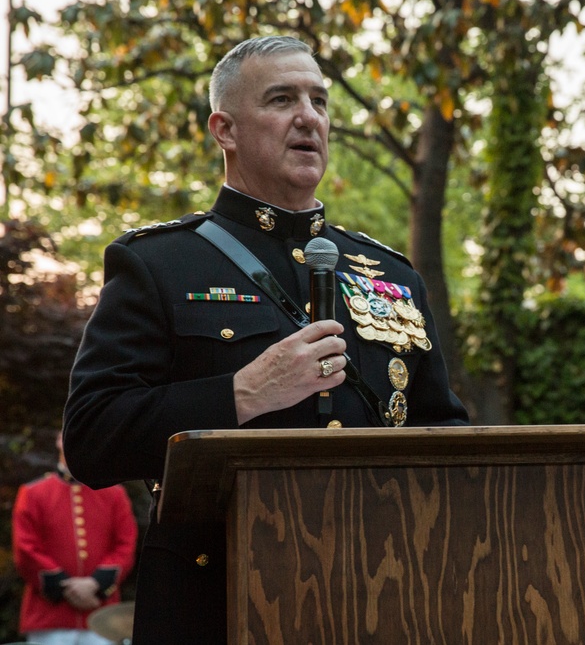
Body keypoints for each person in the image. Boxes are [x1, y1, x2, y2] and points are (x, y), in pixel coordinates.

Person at [62, 35, 469, 644]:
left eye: (320, 101)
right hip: (219, 608)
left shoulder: (392, 275)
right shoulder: (159, 265)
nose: (309, 116)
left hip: (386, 598)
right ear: (224, 130)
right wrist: (242, 393)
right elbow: (92, 437)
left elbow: (446, 436)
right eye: (281, 99)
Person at [12, 432, 138, 645]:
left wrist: (95, 584)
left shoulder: (115, 495)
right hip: (49, 617)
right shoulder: (33, 493)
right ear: (58, 439)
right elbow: (26, 548)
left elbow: (125, 546)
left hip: (103, 617)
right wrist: (66, 588)